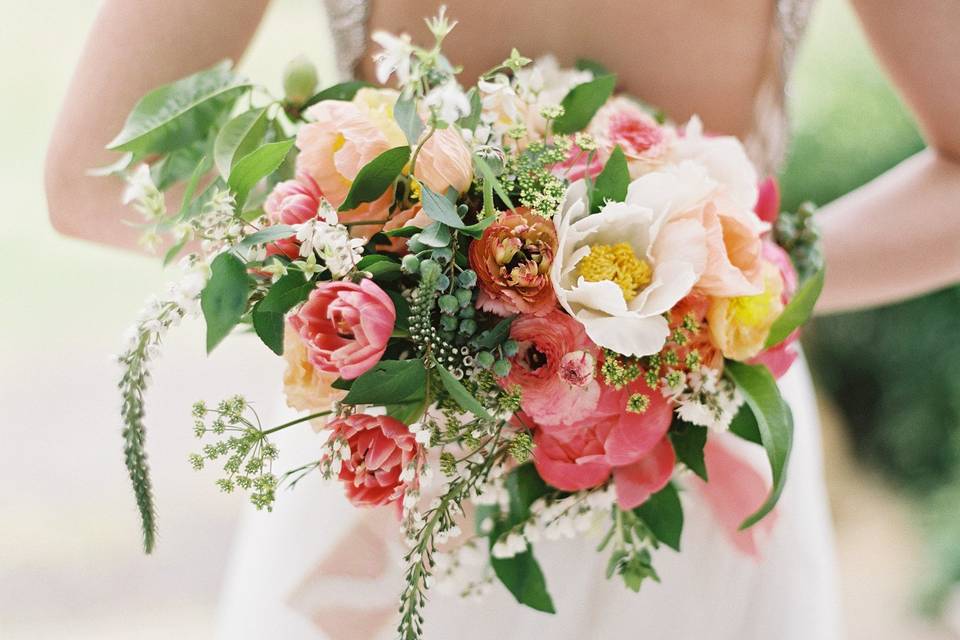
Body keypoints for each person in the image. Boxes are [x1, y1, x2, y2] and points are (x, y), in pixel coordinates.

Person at [44, 1, 960, 638]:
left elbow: (96, 175)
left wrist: (708, 286)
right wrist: (724, 286)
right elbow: (82, 177)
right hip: (464, 474)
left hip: (460, 445)